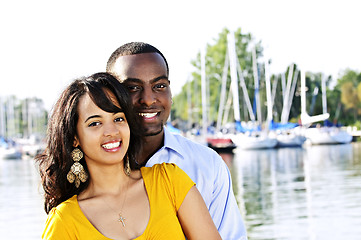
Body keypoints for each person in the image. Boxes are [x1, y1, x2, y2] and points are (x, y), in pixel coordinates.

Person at [37, 72, 222, 240]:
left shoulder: (169, 181)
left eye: (118, 119)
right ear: (75, 137)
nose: (111, 131)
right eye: (95, 123)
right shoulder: (64, 221)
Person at [106, 42, 248, 240]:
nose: (148, 99)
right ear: (110, 96)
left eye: (159, 86)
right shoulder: (89, 168)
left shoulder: (207, 164)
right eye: (133, 88)